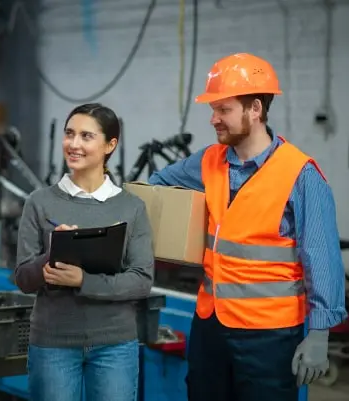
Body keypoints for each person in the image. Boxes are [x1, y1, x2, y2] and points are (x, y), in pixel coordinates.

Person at [149, 52, 348, 401]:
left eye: (223, 109)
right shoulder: (208, 161)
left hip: (269, 336)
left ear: (255, 109)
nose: (213, 119)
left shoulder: (300, 175)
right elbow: (157, 184)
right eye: (213, 109)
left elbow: (322, 257)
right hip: (210, 324)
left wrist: (320, 333)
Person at [15, 103, 154, 401]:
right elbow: (23, 279)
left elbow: (141, 280)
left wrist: (82, 281)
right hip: (52, 344)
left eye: (86, 136)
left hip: (115, 345)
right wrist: (51, 254)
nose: (73, 144)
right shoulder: (38, 203)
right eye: (69, 134)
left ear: (109, 145)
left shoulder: (131, 207)